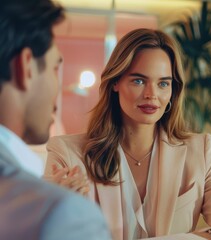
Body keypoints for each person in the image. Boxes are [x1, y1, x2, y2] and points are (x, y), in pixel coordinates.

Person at [44, 28, 211, 240]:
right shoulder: (67, 153)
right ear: (115, 82)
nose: (152, 95)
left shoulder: (201, 150)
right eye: (139, 81)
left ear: (173, 90)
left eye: (163, 83)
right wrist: (54, 211)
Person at [0, 0, 112, 239]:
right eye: (53, 68)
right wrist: (46, 201)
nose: (57, 86)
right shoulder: (66, 214)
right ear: (27, 67)